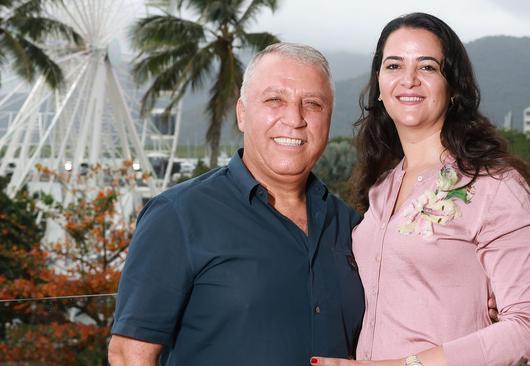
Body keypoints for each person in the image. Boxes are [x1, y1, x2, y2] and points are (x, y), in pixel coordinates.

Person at [312, 13, 530, 366]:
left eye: (427, 67)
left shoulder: (494, 185)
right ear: (378, 84)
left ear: (453, 87)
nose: (408, 79)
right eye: (394, 66)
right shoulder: (381, 188)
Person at [107, 43, 366, 365]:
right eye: (275, 100)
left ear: (328, 119)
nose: (295, 118)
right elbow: (130, 355)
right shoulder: (179, 215)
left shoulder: (352, 226)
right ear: (242, 114)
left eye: (313, 104)